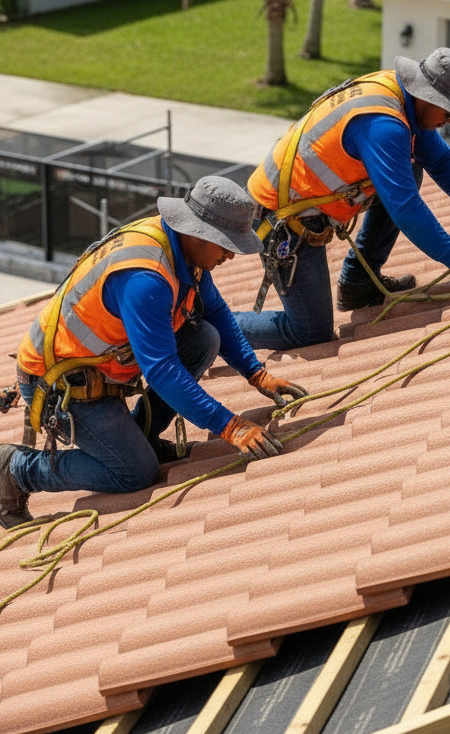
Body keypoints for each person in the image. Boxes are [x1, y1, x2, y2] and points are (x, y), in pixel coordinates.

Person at [0, 176, 307, 530]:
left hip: (100, 372)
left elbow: (217, 313)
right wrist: (231, 426)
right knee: (135, 473)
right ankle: (16, 469)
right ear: (196, 232)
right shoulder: (146, 278)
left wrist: (257, 373)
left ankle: (139, 437)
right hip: (61, 388)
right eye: (225, 245)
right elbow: (162, 371)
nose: (229, 255)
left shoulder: (183, 251)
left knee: (204, 337)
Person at [236, 48, 450, 352]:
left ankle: (358, 284)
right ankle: (206, 329)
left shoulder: (404, 100)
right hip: (282, 217)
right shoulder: (384, 126)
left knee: (412, 165)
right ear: (427, 96)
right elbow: (405, 207)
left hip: (302, 202)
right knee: (310, 332)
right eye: (448, 111)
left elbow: (440, 160)